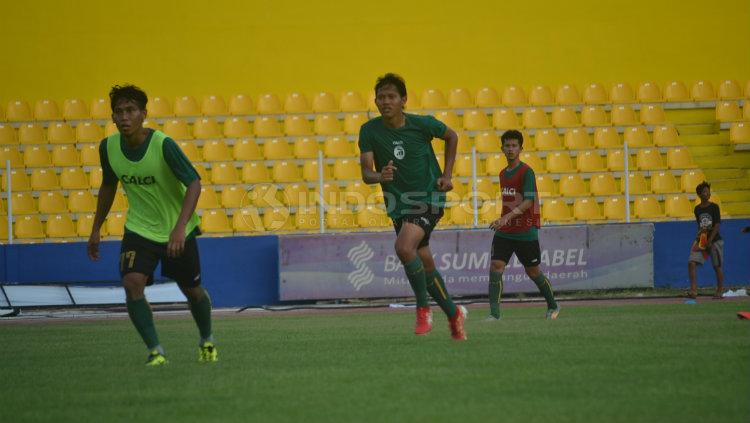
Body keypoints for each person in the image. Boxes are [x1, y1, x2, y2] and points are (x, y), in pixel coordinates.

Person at [87, 85, 217, 365]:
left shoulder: (163, 145)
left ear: (143, 114)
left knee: (192, 290)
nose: (125, 117)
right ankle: (156, 351)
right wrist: (96, 228)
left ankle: (207, 340)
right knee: (132, 283)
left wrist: (180, 227)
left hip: (176, 231)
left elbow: (194, 183)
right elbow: (108, 186)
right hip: (139, 229)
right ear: (112, 117)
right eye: (119, 112)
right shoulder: (108, 148)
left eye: (131, 110)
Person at [358, 73, 467, 340]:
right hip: (398, 205)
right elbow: (366, 173)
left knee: (404, 248)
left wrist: (447, 175)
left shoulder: (422, 124)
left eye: (391, 97)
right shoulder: (369, 131)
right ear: (375, 101)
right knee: (425, 264)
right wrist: (379, 176)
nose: (385, 101)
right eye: (381, 97)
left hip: (428, 198)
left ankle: (422, 309)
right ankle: (453, 315)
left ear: (403, 100)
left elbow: (452, 136)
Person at [486, 130, 560, 320]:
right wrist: (504, 221)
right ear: (501, 148)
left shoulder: (526, 172)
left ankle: (553, 305)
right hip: (505, 231)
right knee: (496, 267)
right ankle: (494, 315)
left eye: (514, 146)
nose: (510, 149)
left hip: (525, 230)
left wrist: (505, 218)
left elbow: (528, 201)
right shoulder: (503, 173)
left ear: (520, 148)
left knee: (533, 271)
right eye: (507, 146)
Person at [687, 181, 724, 299]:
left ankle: (719, 291)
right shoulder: (697, 209)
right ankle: (693, 291)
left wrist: (709, 241)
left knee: (716, 266)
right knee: (691, 262)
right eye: (704, 192)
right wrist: (700, 241)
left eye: (708, 191)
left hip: (715, 240)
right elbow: (701, 227)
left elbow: (717, 226)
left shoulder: (714, 207)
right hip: (703, 239)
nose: (707, 193)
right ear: (699, 194)